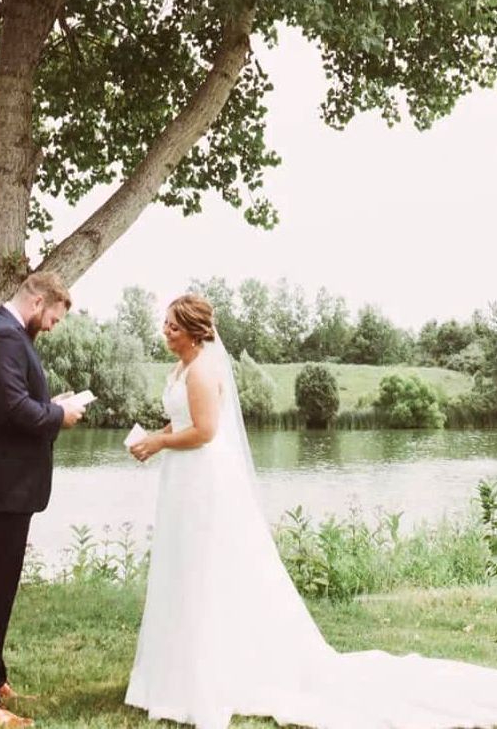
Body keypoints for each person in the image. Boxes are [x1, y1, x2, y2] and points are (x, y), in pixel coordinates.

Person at [125, 293, 497, 729]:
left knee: (205, 571)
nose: (165, 331)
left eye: (172, 325)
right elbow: (184, 419)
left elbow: (206, 432)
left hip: (202, 478)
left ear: (193, 330)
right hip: (183, 478)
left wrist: (160, 442)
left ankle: (211, 676)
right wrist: (154, 436)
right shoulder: (181, 366)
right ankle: (172, 675)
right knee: (183, 569)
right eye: (165, 324)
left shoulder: (204, 369)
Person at [0, 271, 85, 728]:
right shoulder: (3, 338)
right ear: (37, 302)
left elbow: (15, 401)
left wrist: (53, 402)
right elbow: (12, 410)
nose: (51, 326)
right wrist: (59, 415)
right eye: (53, 318)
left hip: (1, 488)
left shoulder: (2, 333)